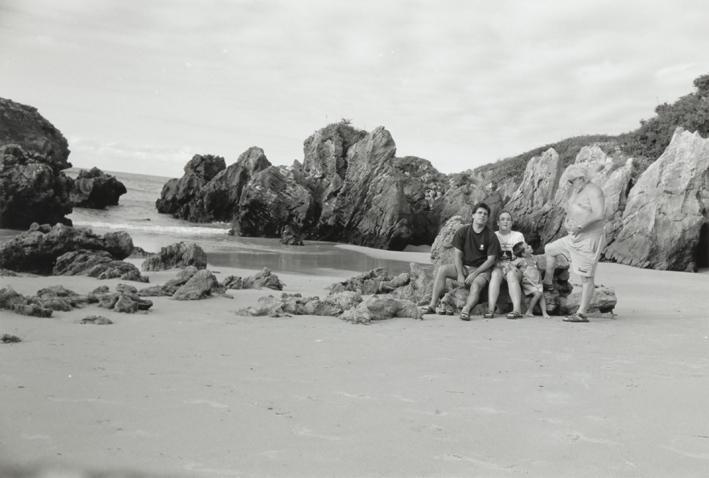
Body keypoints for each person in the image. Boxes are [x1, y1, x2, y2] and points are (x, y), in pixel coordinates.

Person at [543, 165, 606, 323]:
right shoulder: (577, 190)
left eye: (571, 181)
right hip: (573, 237)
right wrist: (568, 222)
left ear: (581, 179)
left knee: (586, 277)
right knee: (550, 249)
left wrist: (580, 226)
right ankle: (548, 283)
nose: (570, 184)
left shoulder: (594, 191)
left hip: (588, 238)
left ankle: (581, 313)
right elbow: (572, 210)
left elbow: (599, 214)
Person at [422, 202, 501, 321]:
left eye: (485, 214)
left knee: (476, 285)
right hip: (464, 267)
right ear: (473, 215)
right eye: (479, 213)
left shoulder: (490, 236)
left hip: (481, 270)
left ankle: (466, 310)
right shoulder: (463, 231)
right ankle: (432, 305)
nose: (482, 215)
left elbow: (490, 261)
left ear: (487, 218)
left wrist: (475, 273)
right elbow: (457, 255)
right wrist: (459, 274)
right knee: (442, 269)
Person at [484, 211, 525, 319]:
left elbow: (522, 255)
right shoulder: (494, 235)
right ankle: (491, 309)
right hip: (499, 267)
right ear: (498, 222)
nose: (505, 221)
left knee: (511, 275)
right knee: (495, 274)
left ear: (511, 223)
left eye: (508, 219)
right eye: (502, 219)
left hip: (514, 268)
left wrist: (511, 265)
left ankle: (517, 310)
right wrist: (500, 264)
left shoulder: (518, 235)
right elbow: (490, 255)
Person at [511, 241, 550, 319]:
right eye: (527, 247)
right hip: (528, 282)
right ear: (523, 254)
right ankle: (529, 310)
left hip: (537, 281)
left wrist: (540, 279)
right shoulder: (521, 261)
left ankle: (544, 312)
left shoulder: (533, 257)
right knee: (538, 294)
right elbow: (511, 264)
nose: (530, 246)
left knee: (541, 295)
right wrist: (513, 268)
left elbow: (537, 269)